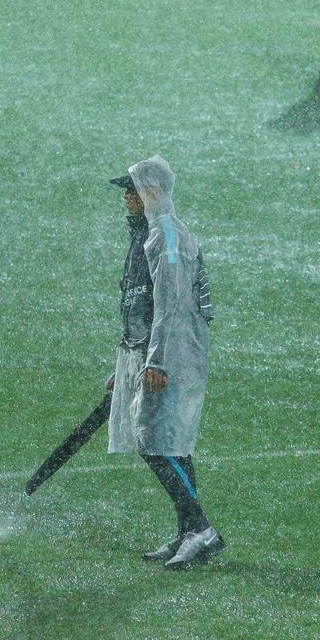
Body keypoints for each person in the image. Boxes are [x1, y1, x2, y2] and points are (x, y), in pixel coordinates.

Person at [106, 155, 223, 568]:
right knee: (167, 444)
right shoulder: (150, 233)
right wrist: (125, 365)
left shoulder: (166, 237)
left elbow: (171, 305)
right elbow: (138, 303)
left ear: (152, 192)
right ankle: (188, 531)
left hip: (171, 355)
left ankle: (201, 530)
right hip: (154, 353)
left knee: (156, 444)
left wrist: (157, 362)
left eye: (132, 190)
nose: (126, 197)